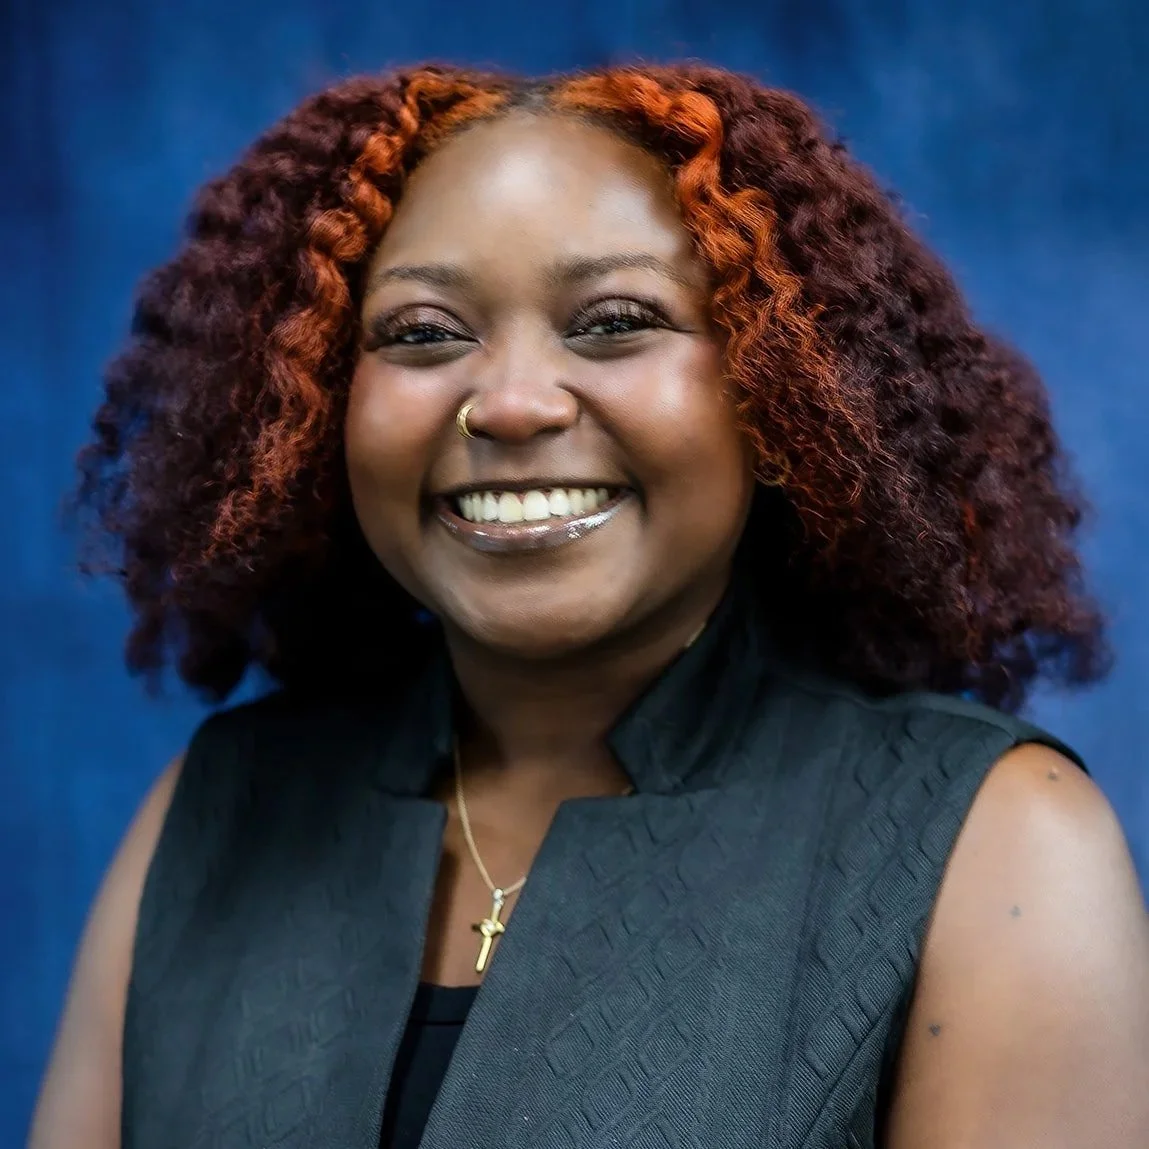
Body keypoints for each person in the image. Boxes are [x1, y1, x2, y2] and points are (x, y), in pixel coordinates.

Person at [29, 63, 1148, 1149]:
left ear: (782, 390)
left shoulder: (991, 841)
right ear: (315, 398)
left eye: (614, 319)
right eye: (424, 333)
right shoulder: (215, 812)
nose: (511, 404)